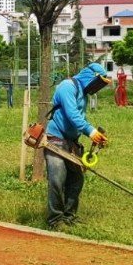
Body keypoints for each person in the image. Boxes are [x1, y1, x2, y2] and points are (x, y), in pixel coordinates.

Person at [44, 62, 110, 228]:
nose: (98, 87)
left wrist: (95, 136)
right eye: (98, 83)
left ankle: (69, 216)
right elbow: (72, 114)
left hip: (71, 142)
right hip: (55, 139)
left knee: (76, 180)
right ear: (90, 77)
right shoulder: (67, 86)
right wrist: (91, 131)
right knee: (57, 179)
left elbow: (81, 118)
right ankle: (55, 220)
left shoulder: (83, 93)